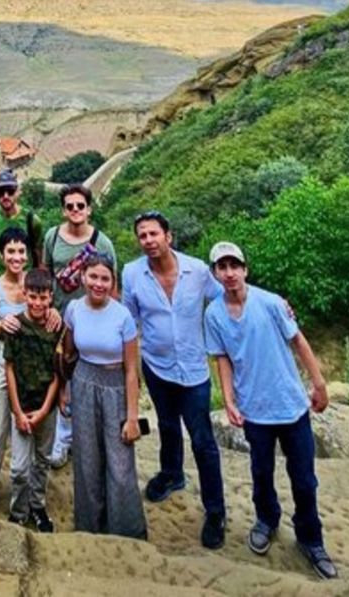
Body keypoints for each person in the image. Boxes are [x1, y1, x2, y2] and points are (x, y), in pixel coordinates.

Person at [205, 241, 338, 580]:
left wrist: (319, 383)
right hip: (254, 410)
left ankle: (311, 538)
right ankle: (267, 519)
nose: (230, 273)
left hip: (291, 406)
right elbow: (222, 358)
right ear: (215, 273)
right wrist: (229, 400)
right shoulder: (214, 314)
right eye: (222, 267)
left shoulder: (271, 303)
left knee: (304, 479)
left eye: (235, 265)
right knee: (261, 473)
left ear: (245, 269)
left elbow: (298, 340)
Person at [121, 210, 227, 549]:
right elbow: (128, 321)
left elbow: (226, 296)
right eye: (142, 235)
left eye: (154, 234)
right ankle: (172, 474)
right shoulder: (132, 273)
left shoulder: (197, 271)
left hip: (194, 370)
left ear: (168, 236)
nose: (148, 240)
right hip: (156, 365)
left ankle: (216, 512)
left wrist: (272, 304)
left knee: (203, 441)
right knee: (167, 425)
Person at [0, 228, 61, 526]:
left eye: (21, 251)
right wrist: (1, 324)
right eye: (11, 251)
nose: (17, 257)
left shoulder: (36, 284)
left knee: (34, 436)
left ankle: (30, 501)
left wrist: (55, 314)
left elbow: (47, 309)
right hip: (2, 357)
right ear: (1, 254)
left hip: (34, 362)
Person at [65, 254, 147, 539]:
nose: (98, 284)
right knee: (86, 460)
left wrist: (133, 418)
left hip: (116, 386)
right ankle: (89, 527)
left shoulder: (123, 316)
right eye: (93, 277)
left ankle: (126, 530)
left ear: (113, 282)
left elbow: (131, 371)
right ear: (83, 277)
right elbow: (67, 353)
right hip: (83, 382)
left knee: (120, 462)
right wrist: (64, 391)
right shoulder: (74, 309)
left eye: (105, 279)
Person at [43, 183, 117, 469]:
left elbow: (112, 284)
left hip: (91, 320)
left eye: (80, 206)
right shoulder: (52, 236)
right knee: (60, 374)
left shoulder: (102, 242)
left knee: (82, 378)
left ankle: (77, 437)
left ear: (89, 209)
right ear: (64, 210)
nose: (75, 210)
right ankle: (61, 438)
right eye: (70, 206)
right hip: (57, 318)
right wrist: (47, 307)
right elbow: (45, 273)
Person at [4, 268, 63, 532]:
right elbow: (9, 369)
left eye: (43, 298)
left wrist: (44, 410)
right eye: (33, 297)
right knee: (19, 467)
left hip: (46, 408)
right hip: (21, 405)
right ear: (24, 294)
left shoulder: (55, 328)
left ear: (51, 297)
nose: (38, 303)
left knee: (42, 460)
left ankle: (37, 506)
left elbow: (57, 374)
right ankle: (18, 510)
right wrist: (17, 411)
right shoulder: (15, 326)